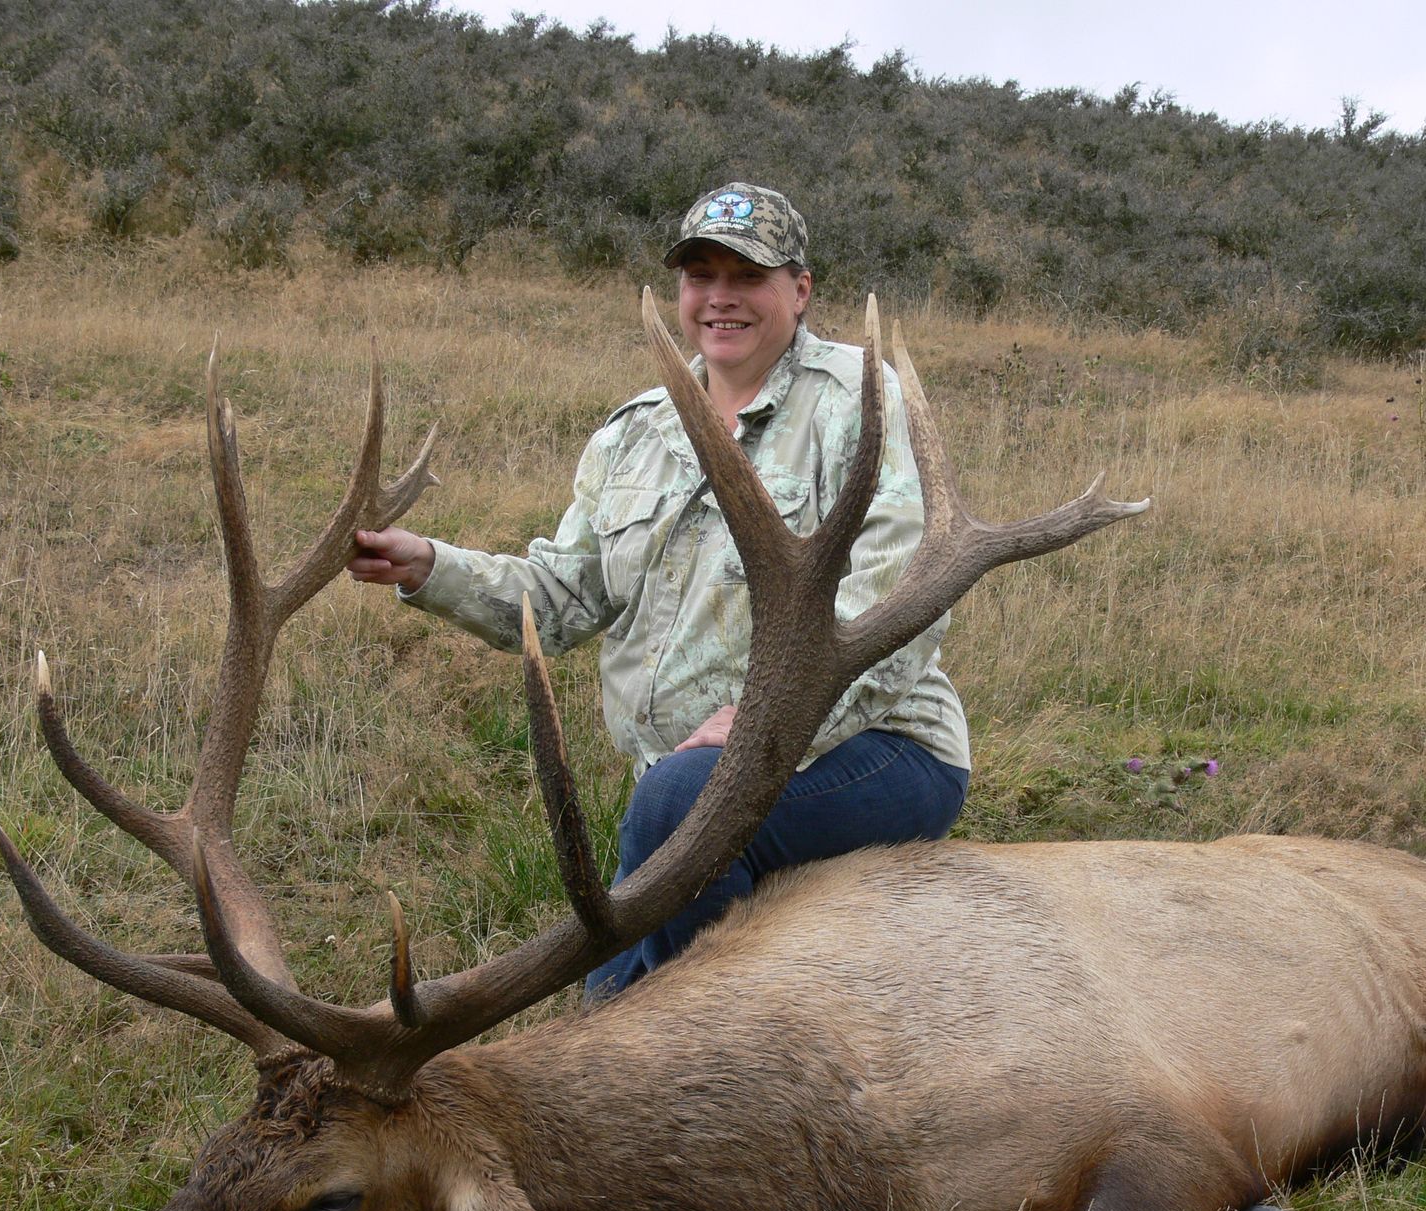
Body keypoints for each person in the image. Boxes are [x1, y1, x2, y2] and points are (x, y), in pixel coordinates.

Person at [348, 183, 970, 1001]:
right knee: (623, 946)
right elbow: (567, 596)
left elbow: (904, 604)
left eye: (747, 276)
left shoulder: (862, 400)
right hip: (689, 777)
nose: (719, 298)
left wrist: (765, 717)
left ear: (800, 290)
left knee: (657, 879)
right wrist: (430, 565)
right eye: (699, 275)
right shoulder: (638, 430)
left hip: (873, 746)